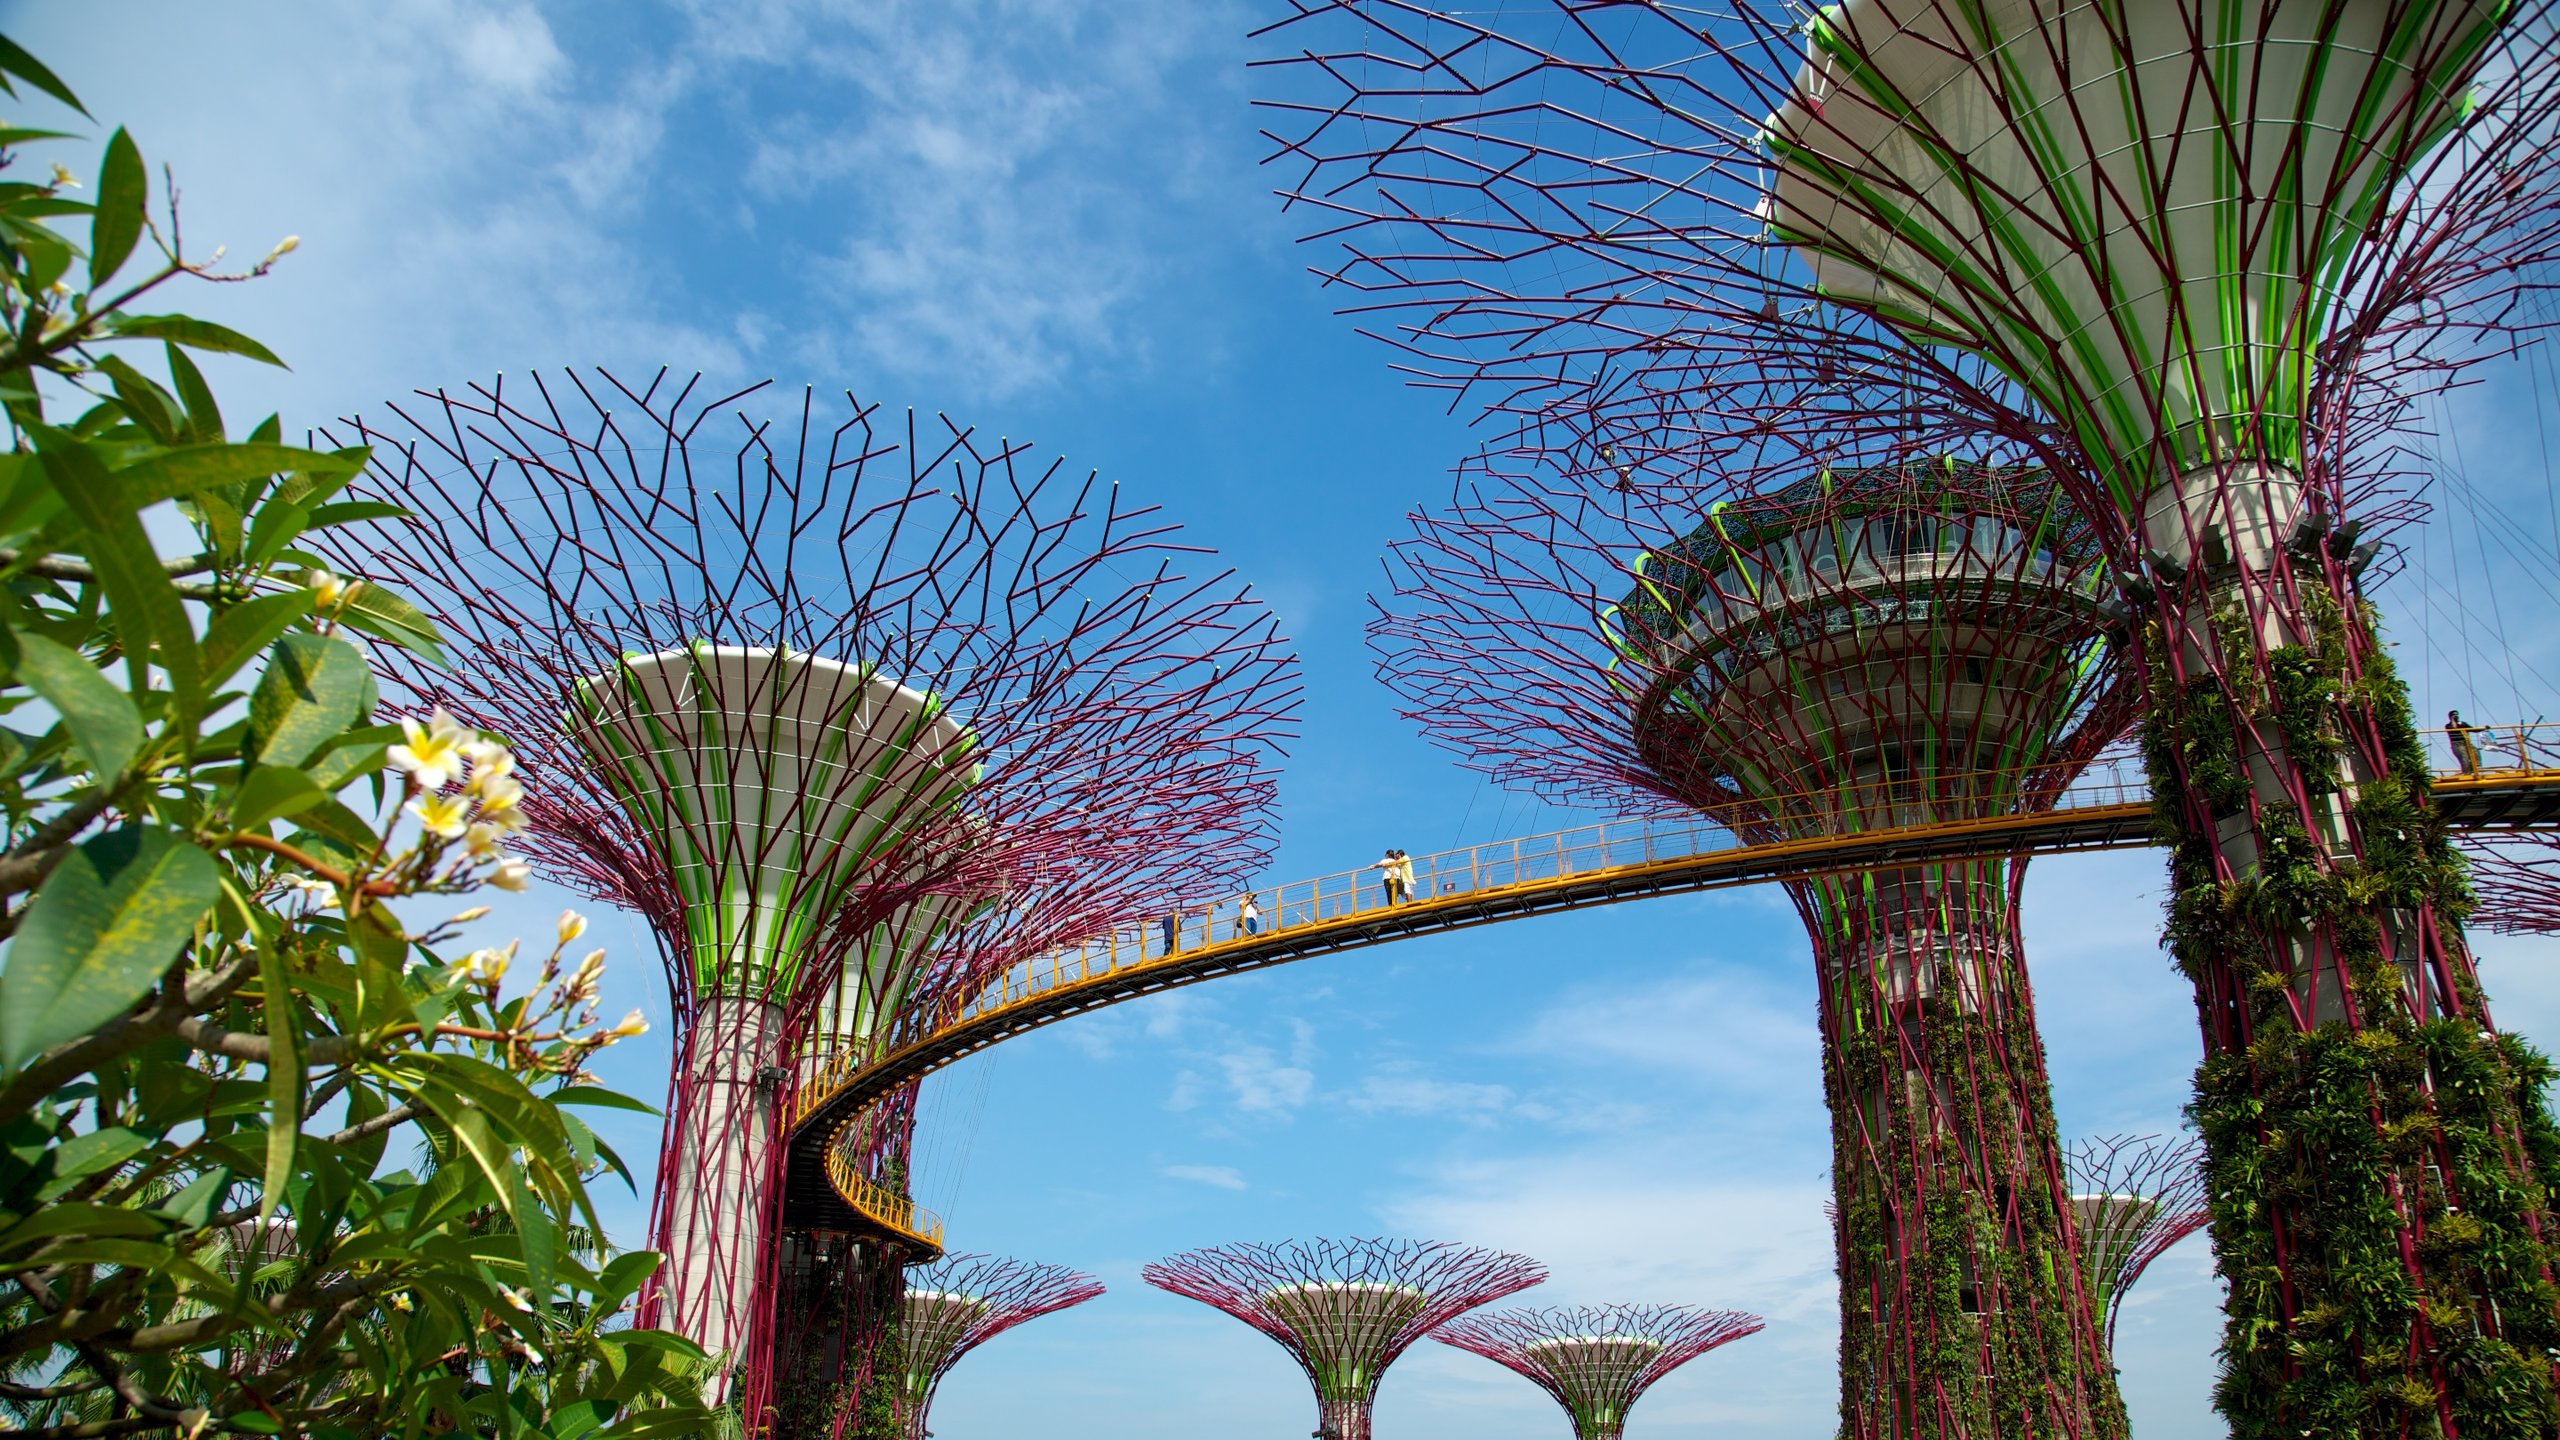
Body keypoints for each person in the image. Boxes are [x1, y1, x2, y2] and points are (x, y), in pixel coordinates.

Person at [2449, 709, 2486, 776]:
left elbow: (2472, 729)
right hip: (2457, 744)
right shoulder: (2448, 725)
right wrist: (2453, 720)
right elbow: (2453, 727)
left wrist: (2484, 728)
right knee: (2464, 757)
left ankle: (2474, 767)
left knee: (2475, 751)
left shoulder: (2462, 723)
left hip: (2466, 743)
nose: (2456, 716)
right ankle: (2467, 773)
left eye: (2457, 714)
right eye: (2454, 715)